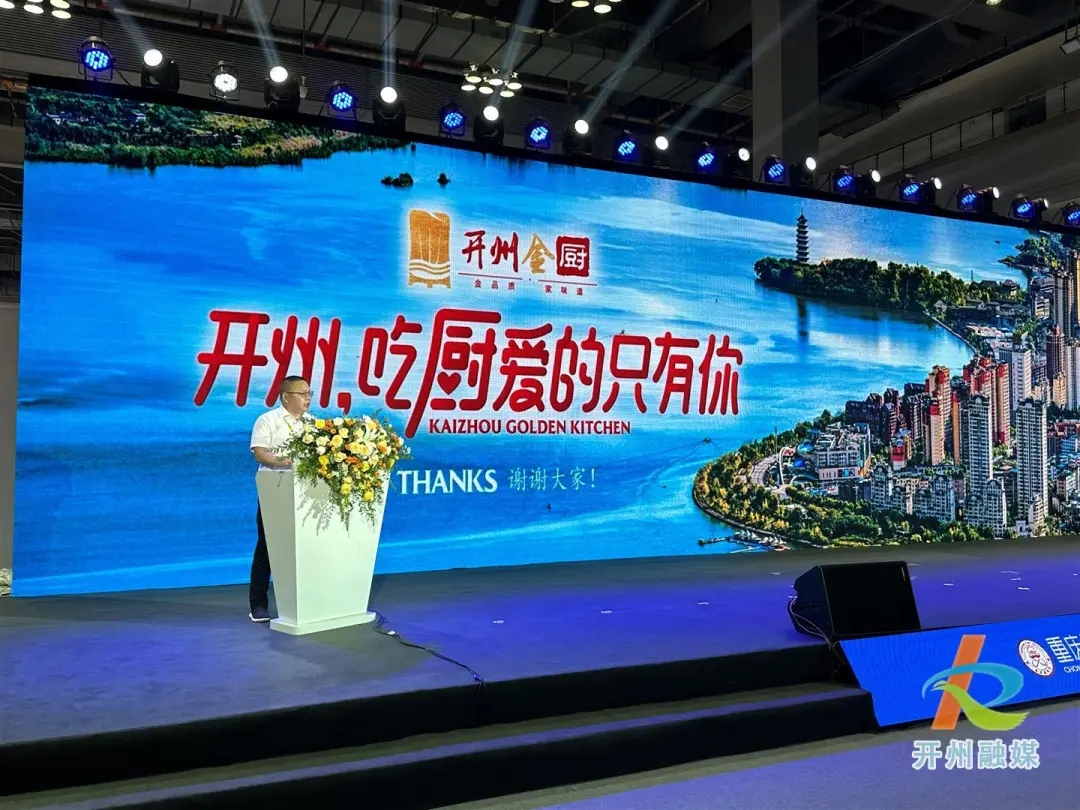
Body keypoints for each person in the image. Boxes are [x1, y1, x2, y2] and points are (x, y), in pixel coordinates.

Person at [247, 375, 313, 622]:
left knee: (305, 547)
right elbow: (260, 454)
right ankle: (258, 604)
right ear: (286, 397)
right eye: (302, 393)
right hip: (274, 490)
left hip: (307, 492)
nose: (307, 398)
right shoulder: (268, 420)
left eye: (309, 393)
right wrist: (290, 463)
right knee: (268, 547)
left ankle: (305, 601)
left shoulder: (313, 424)